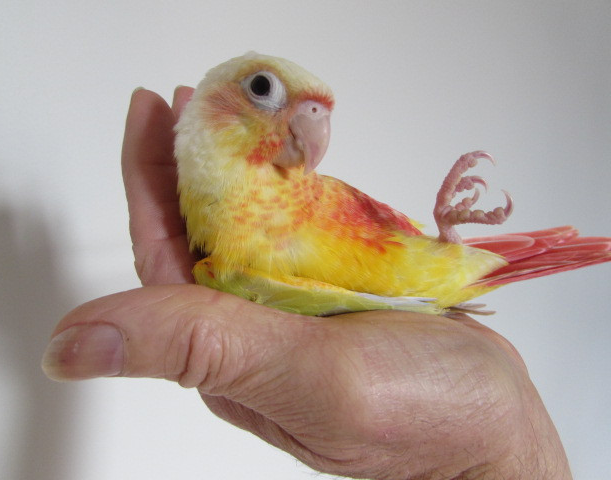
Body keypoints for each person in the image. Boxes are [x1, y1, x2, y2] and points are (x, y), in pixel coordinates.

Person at [41, 87, 572, 479]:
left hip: (423, 270)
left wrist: (444, 242)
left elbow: (388, 242)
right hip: (420, 282)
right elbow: (362, 294)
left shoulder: (304, 189)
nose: (313, 119)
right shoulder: (221, 267)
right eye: (263, 90)